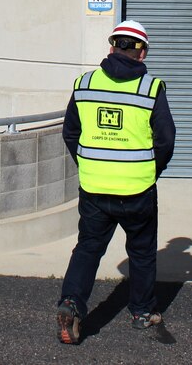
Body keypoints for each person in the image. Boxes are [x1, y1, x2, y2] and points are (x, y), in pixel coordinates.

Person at [56, 19, 176, 345]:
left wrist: (90, 163)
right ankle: (140, 312)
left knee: (88, 248)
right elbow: (166, 140)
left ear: (112, 47)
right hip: (137, 190)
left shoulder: (85, 83)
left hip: (94, 189)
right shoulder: (150, 88)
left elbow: (70, 133)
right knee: (141, 252)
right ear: (142, 52)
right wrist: (151, 171)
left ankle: (71, 303)